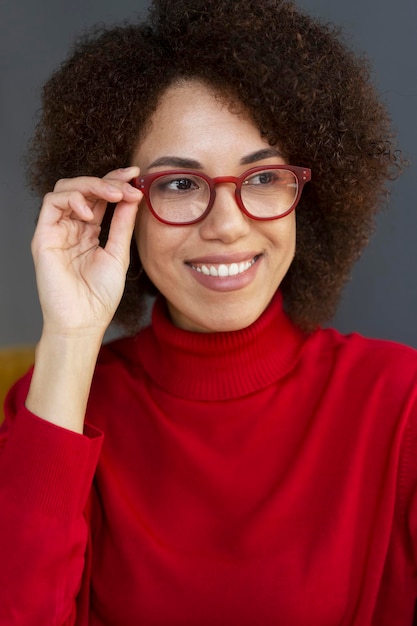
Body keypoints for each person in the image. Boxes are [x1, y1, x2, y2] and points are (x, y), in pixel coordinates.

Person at [0, 0, 416, 623]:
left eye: (264, 177)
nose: (227, 225)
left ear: (308, 196)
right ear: (119, 206)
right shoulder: (55, 404)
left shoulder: (400, 401)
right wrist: (71, 334)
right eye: (179, 184)